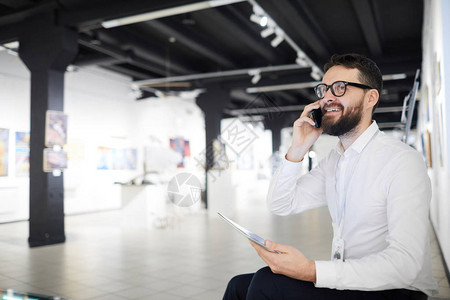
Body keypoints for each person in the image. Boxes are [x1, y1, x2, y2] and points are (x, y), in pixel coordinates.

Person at [223, 53, 438, 300]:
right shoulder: (335, 160)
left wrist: (310, 271)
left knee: (266, 282)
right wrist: (298, 148)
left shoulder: (402, 161)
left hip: (397, 290)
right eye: (324, 89)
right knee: (238, 285)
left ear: (371, 97)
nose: (327, 97)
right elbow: (281, 203)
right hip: (352, 281)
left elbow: (406, 265)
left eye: (340, 88)